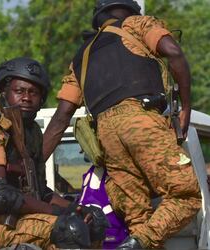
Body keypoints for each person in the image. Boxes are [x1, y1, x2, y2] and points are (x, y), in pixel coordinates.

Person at [42, 0, 201, 248]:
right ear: (130, 9)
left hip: (107, 137)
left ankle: (137, 240)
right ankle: (139, 242)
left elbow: (61, 117)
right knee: (187, 195)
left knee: (138, 218)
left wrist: (30, 164)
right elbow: (173, 51)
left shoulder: (81, 56)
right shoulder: (136, 24)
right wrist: (186, 107)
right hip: (141, 119)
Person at [0, 57, 108, 249]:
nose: (27, 98)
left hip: (18, 218)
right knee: (69, 229)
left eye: (34, 93)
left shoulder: (32, 132)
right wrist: (59, 213)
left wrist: (75, 208)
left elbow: (41, 192)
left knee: (94, 221)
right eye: (19, 91)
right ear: (4, 92)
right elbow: (0, 196)